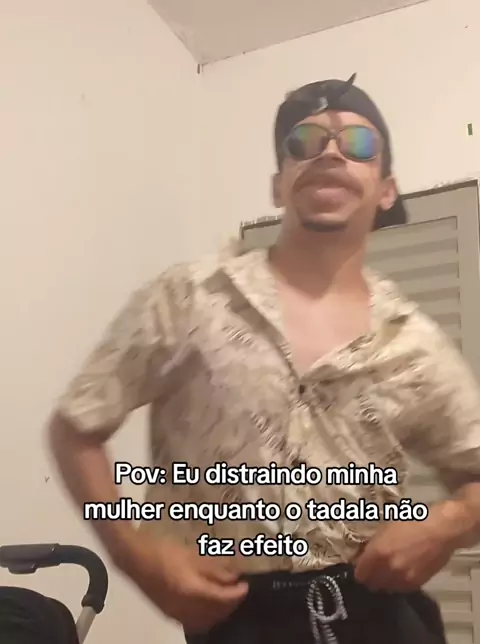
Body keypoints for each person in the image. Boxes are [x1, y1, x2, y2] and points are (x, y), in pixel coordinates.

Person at [47, 74, 480, 644]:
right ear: (279, 185)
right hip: (235, 620)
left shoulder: (413, 340)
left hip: (379, 615)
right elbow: (75, 428)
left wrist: (446, 526)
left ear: (386, 189)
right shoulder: (188, 299)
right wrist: (138, 554)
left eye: (358, 144)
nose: (329, 153)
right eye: (304, 142)